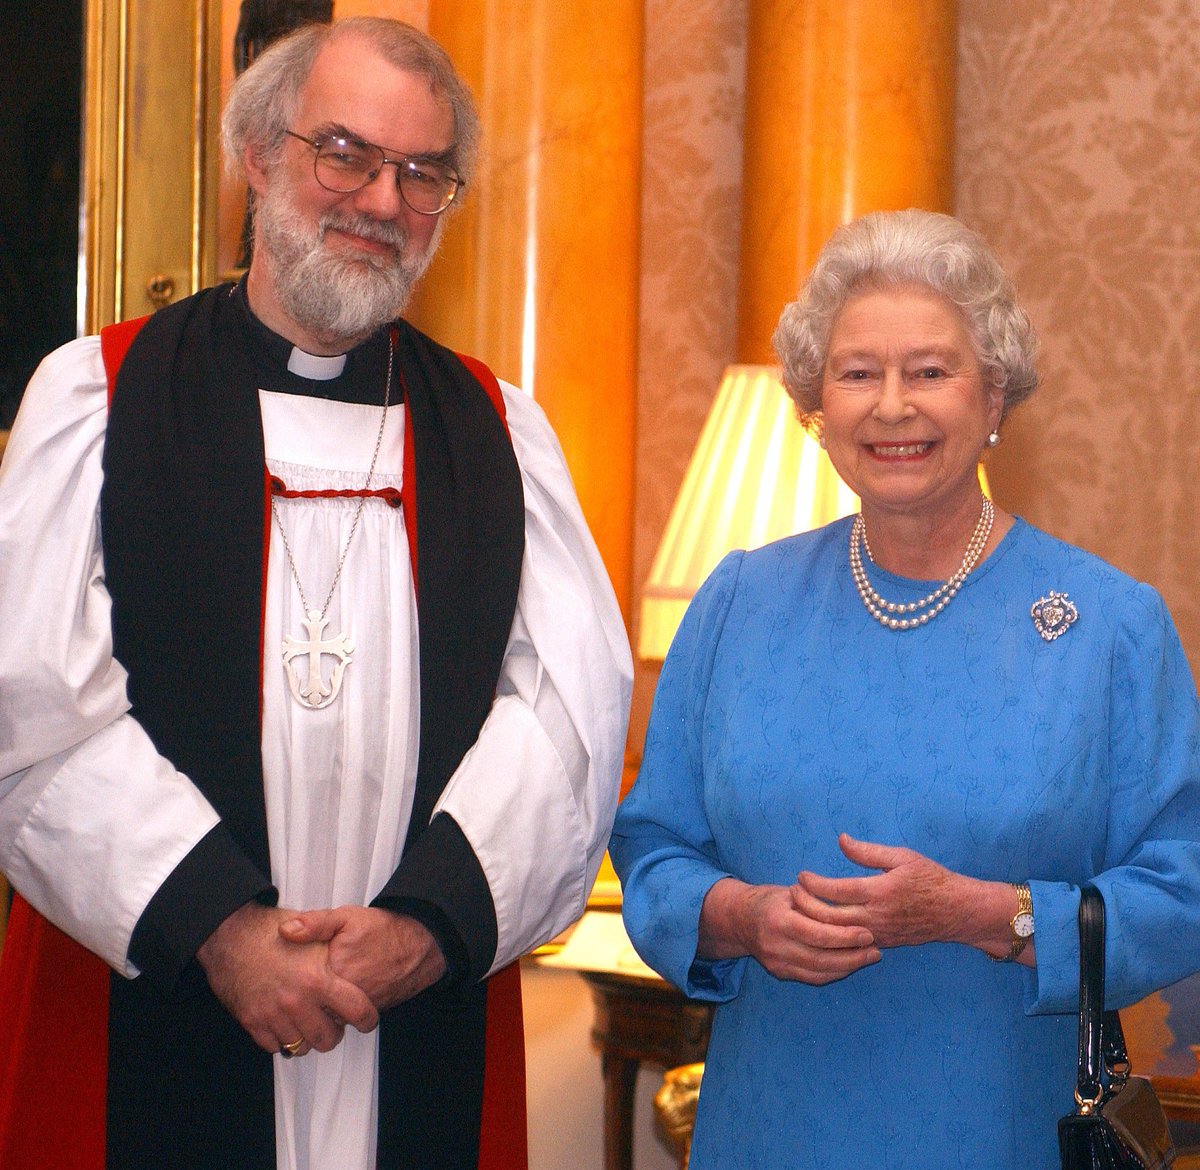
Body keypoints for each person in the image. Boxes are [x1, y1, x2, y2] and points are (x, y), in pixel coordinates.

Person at [0, 17, 631, 1170]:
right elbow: (34, 701)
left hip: (415, 1002)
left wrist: (428, 927)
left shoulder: (501, 432)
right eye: (344, 153)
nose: (381, 200)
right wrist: (223, 930)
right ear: (257, 153)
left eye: (422, 173)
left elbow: (567, 720)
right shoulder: (97, 397)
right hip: (163, 982)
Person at [610, 209, 1200, 1169]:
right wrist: (741, 918)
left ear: (995, 394)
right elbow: (653, 851)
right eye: (857, 374)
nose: (892, 406)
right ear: (817, 402)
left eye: (930, 371)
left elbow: (1184, 890)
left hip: (996, 1127)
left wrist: (984, 913)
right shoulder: (737, 601)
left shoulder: (1109, 628)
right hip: (769, 1127)